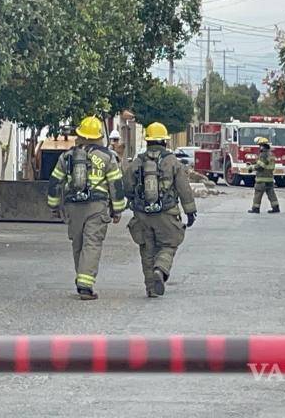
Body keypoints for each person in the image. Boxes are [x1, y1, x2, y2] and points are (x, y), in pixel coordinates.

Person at [47, 116, 127, 300]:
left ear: (80, 134)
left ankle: (82, 278)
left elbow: (55, 182)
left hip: (73, 207)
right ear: (99, 136)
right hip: (97, 207)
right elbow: (116, 184)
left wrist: (53, 206)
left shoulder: (66, 156)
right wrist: (117, 210)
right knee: (92, 243)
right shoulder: (107, 157)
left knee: (78, 243)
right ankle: (85, 283)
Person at [124, 122, 197, 298]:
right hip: (166, 212)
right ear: (165, 141)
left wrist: (133, 202)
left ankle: (151, 288)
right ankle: (161, 268)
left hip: (142, 214)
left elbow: (126, 186)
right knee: (169, 244)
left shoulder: (137, 162)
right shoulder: (172, 162)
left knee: (147, 250)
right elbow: (184, 188)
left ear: (147, 140)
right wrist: (190, 211)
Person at [248, 137, 280, 214]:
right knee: (271, 194)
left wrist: (251, 168)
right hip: (270, 178)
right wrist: (255, 163)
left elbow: (260, 167)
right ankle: (275, 207)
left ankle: (255, 208)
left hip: (262, 178)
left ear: (262, 146)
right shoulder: (271, 154)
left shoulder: (263, 154)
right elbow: (266, 164)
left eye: (259, 146)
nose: (259, 147)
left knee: (258, 194)